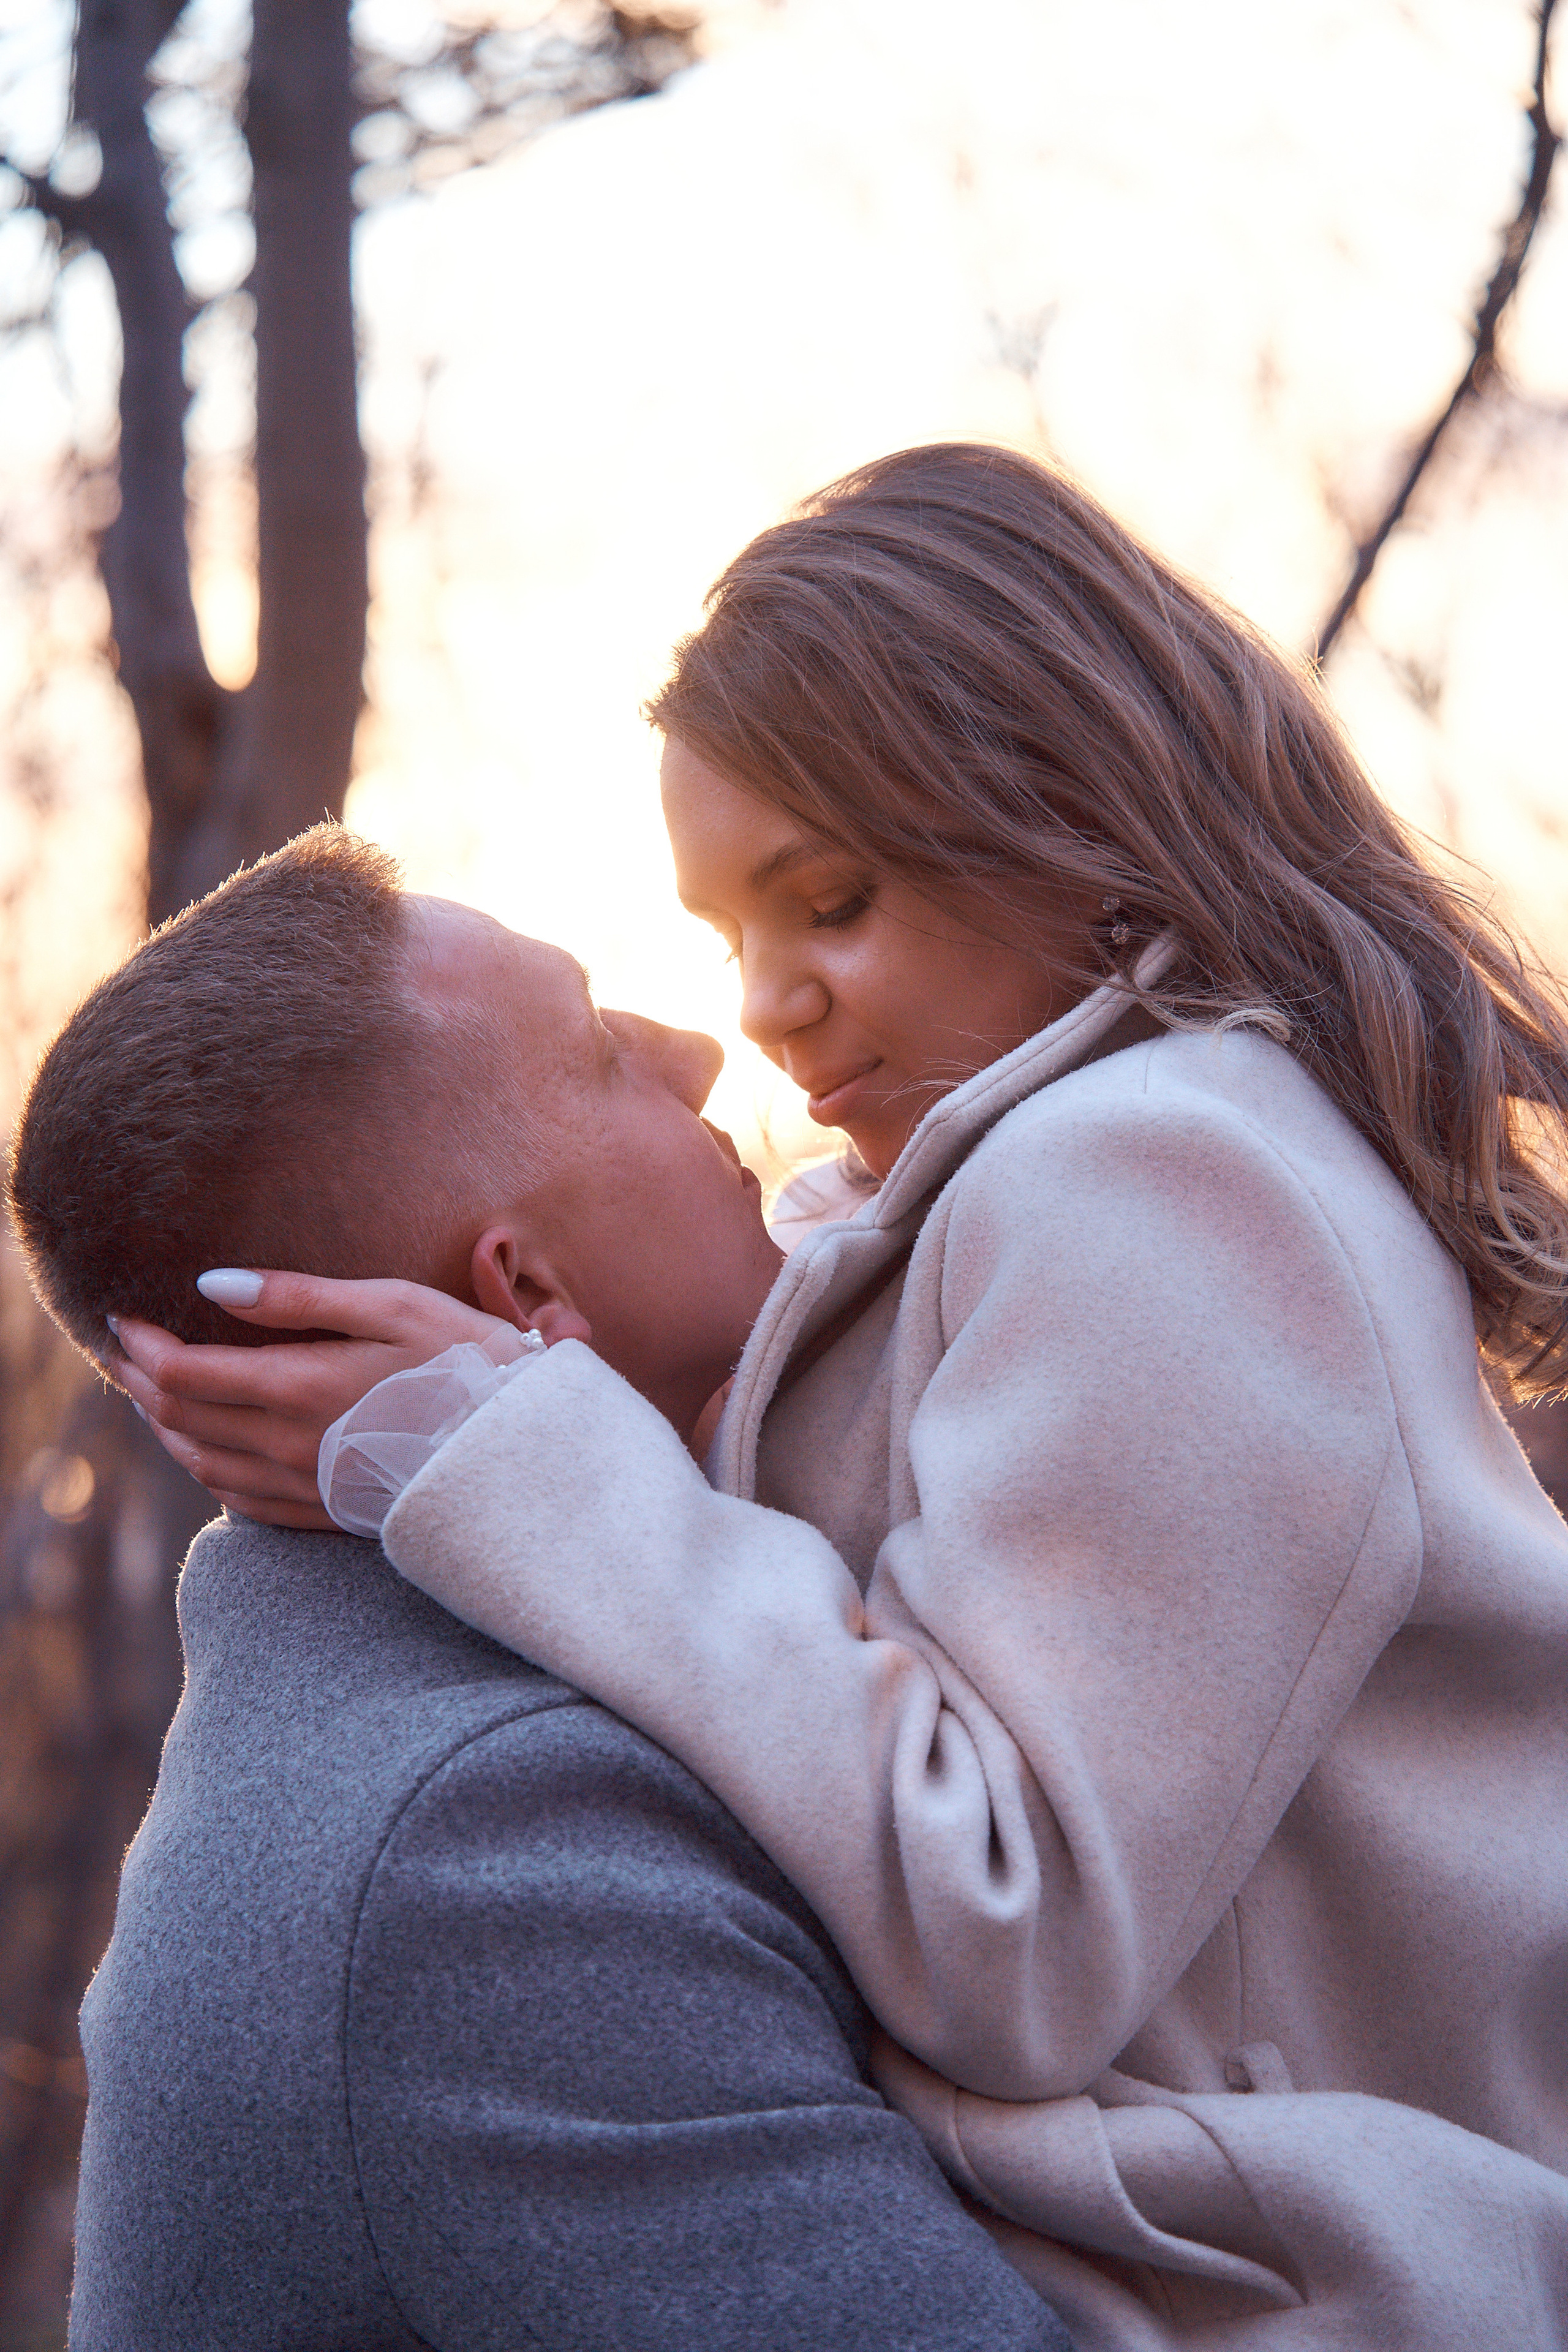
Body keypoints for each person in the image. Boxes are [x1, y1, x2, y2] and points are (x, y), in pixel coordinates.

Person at [111, 445, 1568, 2346]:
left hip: (1283, 2280)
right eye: (732, 933)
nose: (763, 1008)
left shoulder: (1166, 1176)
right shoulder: (987, 1200)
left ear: (1076, 815)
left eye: (835, 899)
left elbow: (1013, 1928)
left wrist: (530, 1455)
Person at [8, 832, 1071, 2351]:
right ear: (525, 1298)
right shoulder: (486, 1852)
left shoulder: (407, 1722)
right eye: (599, 1050)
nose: (701, 1053)